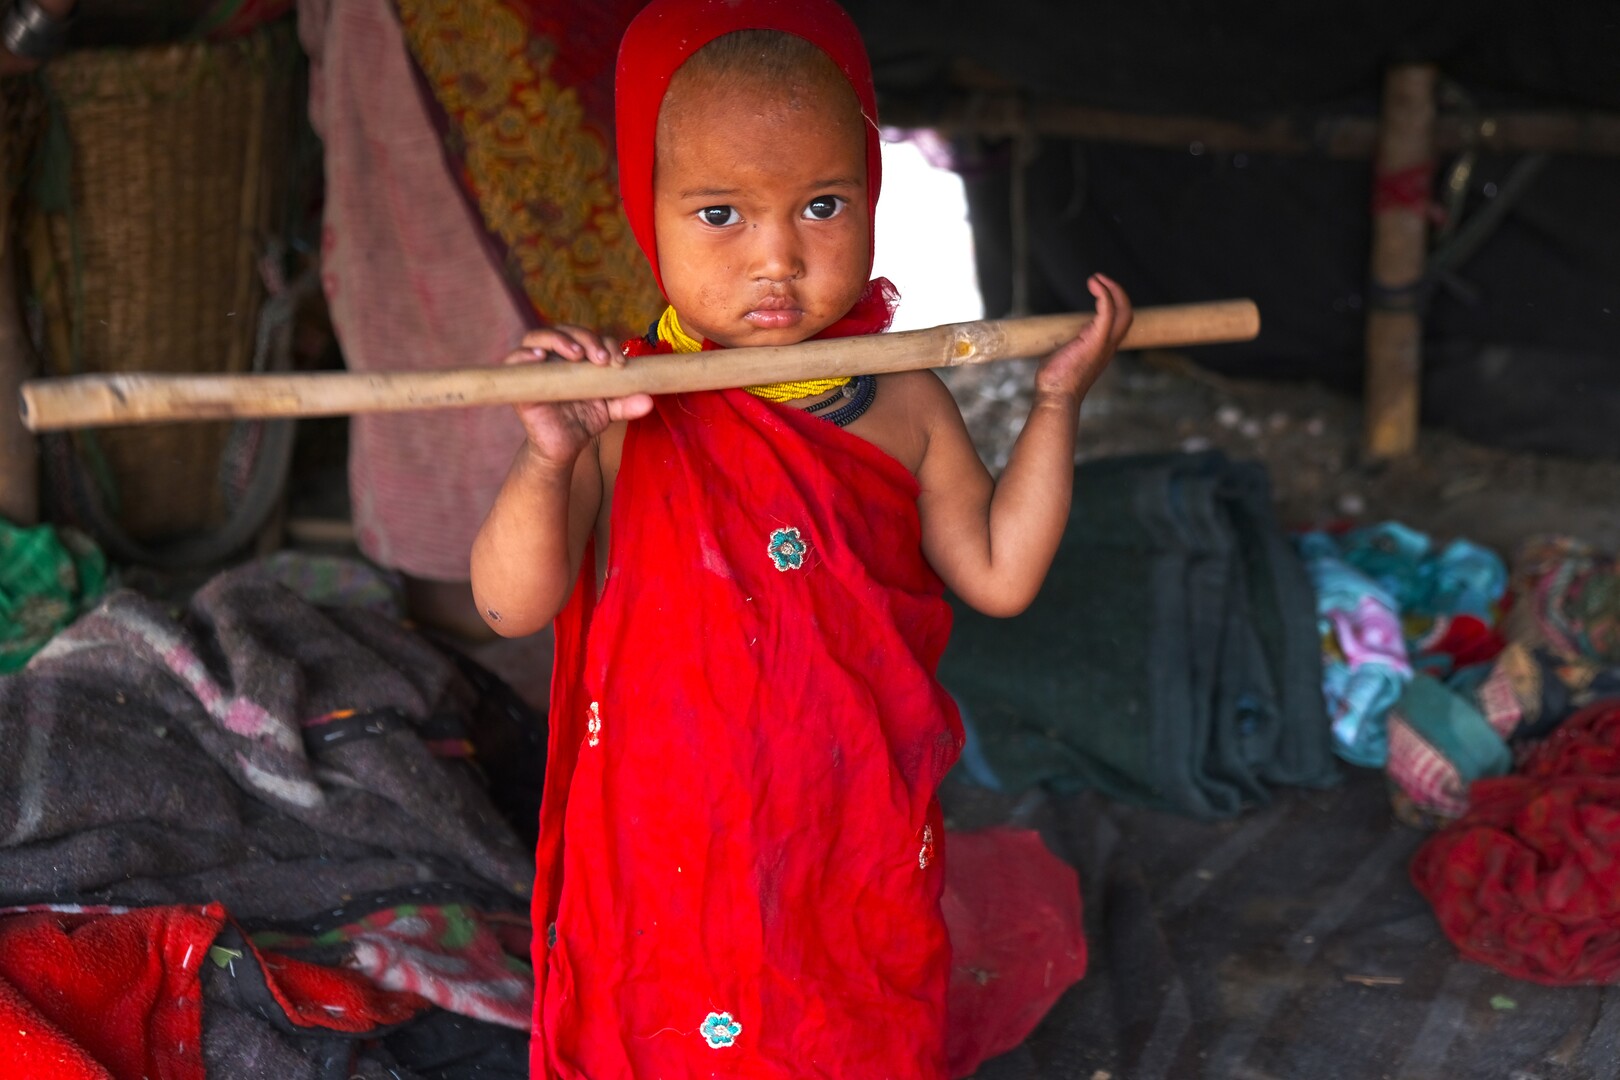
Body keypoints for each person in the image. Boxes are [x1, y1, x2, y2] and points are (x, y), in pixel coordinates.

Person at [470, 0, 1132, 1074]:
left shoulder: (906, 403)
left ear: (874, 199)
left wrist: (1056, 407)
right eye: (721, 213)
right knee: (671, 1017)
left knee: (847, 1014)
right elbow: (509, 604)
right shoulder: (621, 404)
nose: (776, 257)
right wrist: (549, 455)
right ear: (650, 216)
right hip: (668, 829)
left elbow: (1000, 575)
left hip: (850, 819)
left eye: (821, 205)